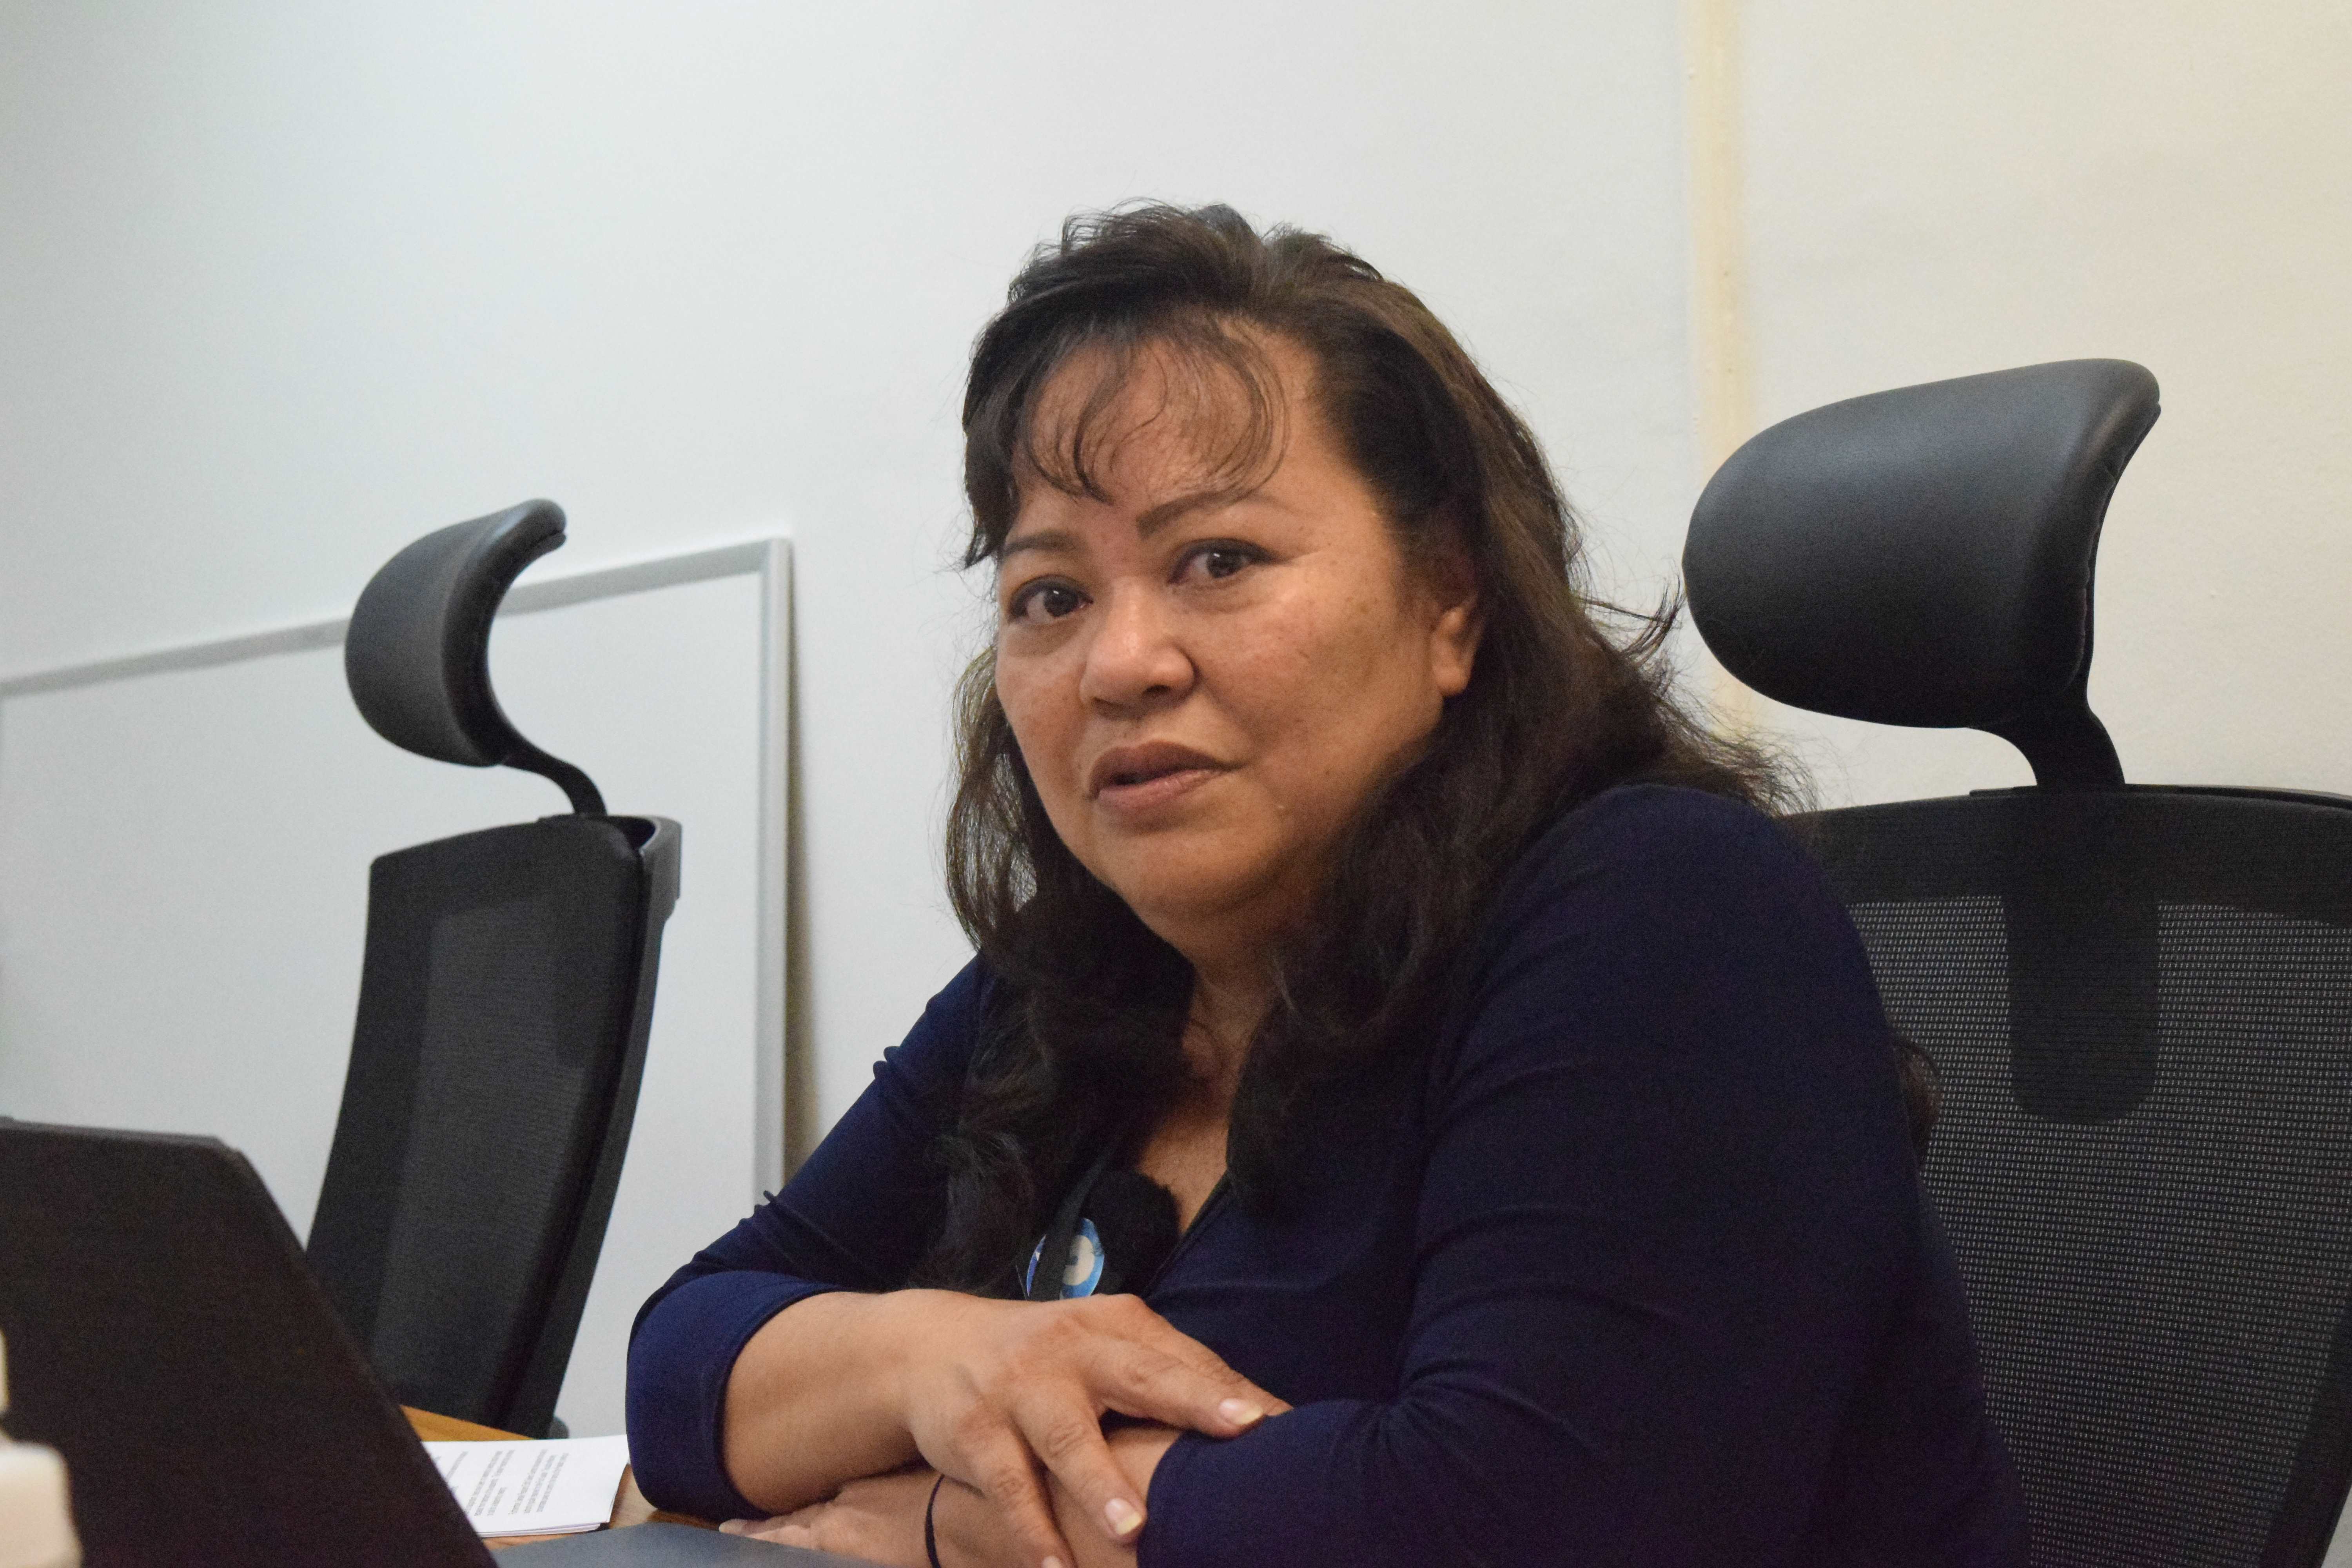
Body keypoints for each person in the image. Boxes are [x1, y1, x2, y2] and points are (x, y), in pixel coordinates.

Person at [625, 204, 2027, 1568]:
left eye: (1218, 560)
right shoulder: (1071, 978)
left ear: (1450, 604)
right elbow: (684, 1363)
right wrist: (951, 1362)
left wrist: (955, 1520)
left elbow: (1525, 1529)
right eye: (1050, 594)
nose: (1123, 661)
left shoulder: (1664, 909)